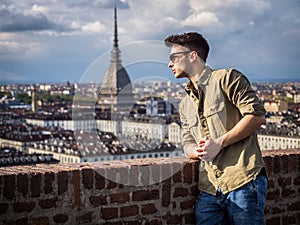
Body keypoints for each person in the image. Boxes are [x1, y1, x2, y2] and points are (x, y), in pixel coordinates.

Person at [164, 32, 268, 225]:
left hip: (242, 180)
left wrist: (219, 143)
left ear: (192, 56)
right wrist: (194, 151)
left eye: (174, 58)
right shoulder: (185, 104)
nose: (169, 64)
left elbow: (256, 116)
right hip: (209, 187)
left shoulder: (227, 79)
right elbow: (186, 140)